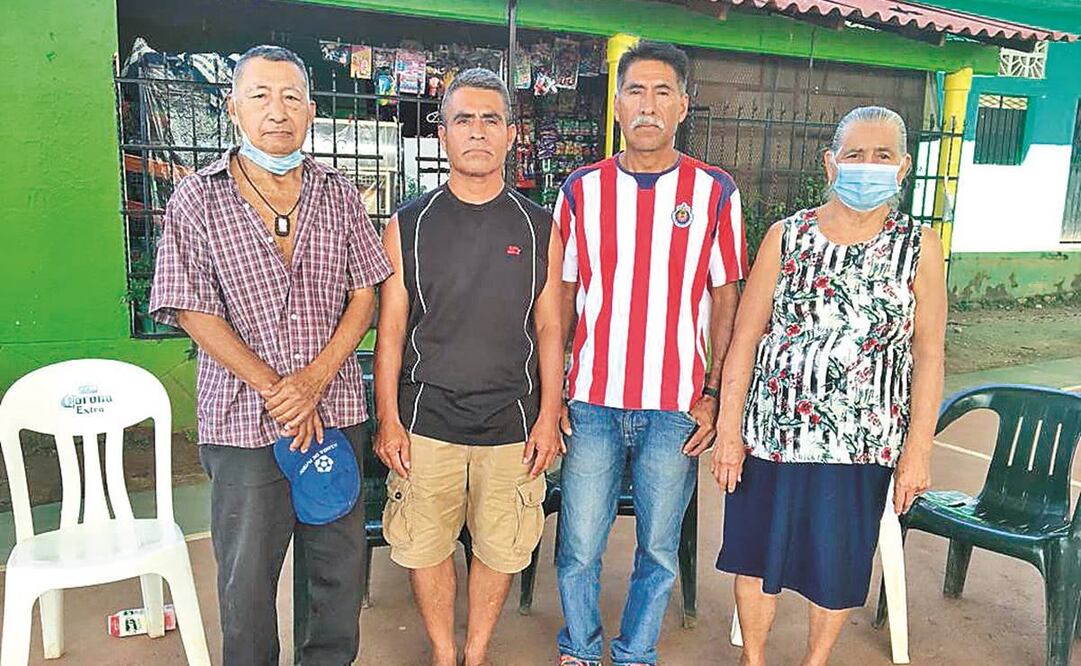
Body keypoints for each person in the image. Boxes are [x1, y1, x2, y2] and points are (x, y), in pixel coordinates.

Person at [149, 45, 392, 665]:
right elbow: (190, 306)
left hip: (333, 413)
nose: (276, 111)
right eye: (260, 96)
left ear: (311, 112)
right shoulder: (198, 198)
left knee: (336, 574)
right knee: (247, 580)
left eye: (290, 97)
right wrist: (278, 389)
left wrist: (313, 381)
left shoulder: (339, 196)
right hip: (240, 420)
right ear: (234, 108)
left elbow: (364, 294)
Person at [711, 105, 947, 666]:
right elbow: (745, 337)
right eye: (855, 155)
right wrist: (728, 430)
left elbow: (930, 355)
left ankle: (814, 662)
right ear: (830, 163)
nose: (869, 167)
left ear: (905, 166)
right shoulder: (786, 236)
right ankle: (755, 659)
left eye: (883, 156)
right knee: (753, 558)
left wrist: (918, 452)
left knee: (836, 566)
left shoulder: (919, 247)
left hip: (862, 444)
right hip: (771, 435)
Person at [555, 42, 747, 666]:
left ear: (683, 105)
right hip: (591, 400)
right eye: (635, 90)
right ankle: (579, 649)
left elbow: (727, 300)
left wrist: (716, 395)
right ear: (617, 104)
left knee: (659, 549)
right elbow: (562, 293)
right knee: (579, 543)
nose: (648, 104)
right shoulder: (581, 189)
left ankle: (636, 652)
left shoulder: (715, 190)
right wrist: (552, 387)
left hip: (677, 408)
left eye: (663, 92)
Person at [373, 68, 565, 666]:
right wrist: (387, 418)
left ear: (511, 135)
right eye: (463, 120)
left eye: (490, 120)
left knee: (502, 546)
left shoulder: (540, 226)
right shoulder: (409, 223)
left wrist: (550, 416)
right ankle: (441, 651)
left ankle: (477, 652)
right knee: (424, 544)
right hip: (426, 419)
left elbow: (551, 326)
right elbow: (392, 328)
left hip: (512, 420)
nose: (477, 132)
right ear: (443, 133)